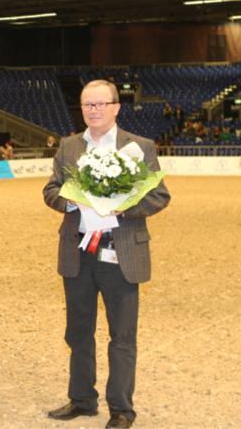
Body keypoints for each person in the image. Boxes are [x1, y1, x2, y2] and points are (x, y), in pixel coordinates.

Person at [42, 80, 170, 429]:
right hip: (78, 252)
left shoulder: (140, 147)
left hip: (121, 252)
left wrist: (122, 208)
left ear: (116, 107)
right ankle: (82, 399)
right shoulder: (68, 147)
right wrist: (69, 199)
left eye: (100, 104)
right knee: (78, 331)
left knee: (122, 336)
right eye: (87, 105)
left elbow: (159, 196)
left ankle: (121, 409)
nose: (94, 110)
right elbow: (50, 190)